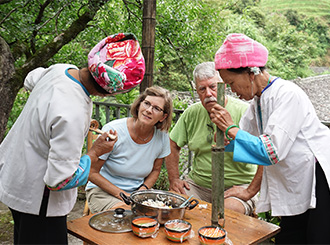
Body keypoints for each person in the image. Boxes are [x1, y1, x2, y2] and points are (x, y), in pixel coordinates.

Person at [0, 32, 145, 244]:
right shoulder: (72, 112)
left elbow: (31, 78)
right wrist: (95, 153)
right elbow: (60, 180)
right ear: (112, 91)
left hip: (14, 177)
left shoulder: (61, 70)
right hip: (38, 201)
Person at [211, 33, 330, 244]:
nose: (232, 91)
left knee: (316, 238)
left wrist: (230, 128)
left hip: (317, 177)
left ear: (250, 72)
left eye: (231, 82)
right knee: (291, 238)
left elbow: (269, 151)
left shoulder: (287, 94)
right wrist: (225, 137)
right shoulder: (258, 102)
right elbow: (247, 142)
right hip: (296, 180)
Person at [165, 61, 263, 216]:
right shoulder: (192, 113)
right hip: (198, 185)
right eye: (202, 89)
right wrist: (174, 179)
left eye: (213, 87)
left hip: (237, 186)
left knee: (225, 212)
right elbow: (172, 143)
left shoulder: (246, 111)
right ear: (197, 92)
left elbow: (264, 151)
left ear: (225, 86)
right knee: (173, 204)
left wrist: (251, 190)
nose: (208, 93)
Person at [85, 85, 173, 213]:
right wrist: (121, 194)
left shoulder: (162, 137)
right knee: (128, 216)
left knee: (162, 214)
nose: (149, 110)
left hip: (136, 195)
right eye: (147, 103)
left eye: (156, 108)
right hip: (102, 192)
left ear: (163, 117)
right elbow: (91, 172)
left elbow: (155, 170)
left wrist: (143, 188)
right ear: (139, 105)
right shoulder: (114, 131)